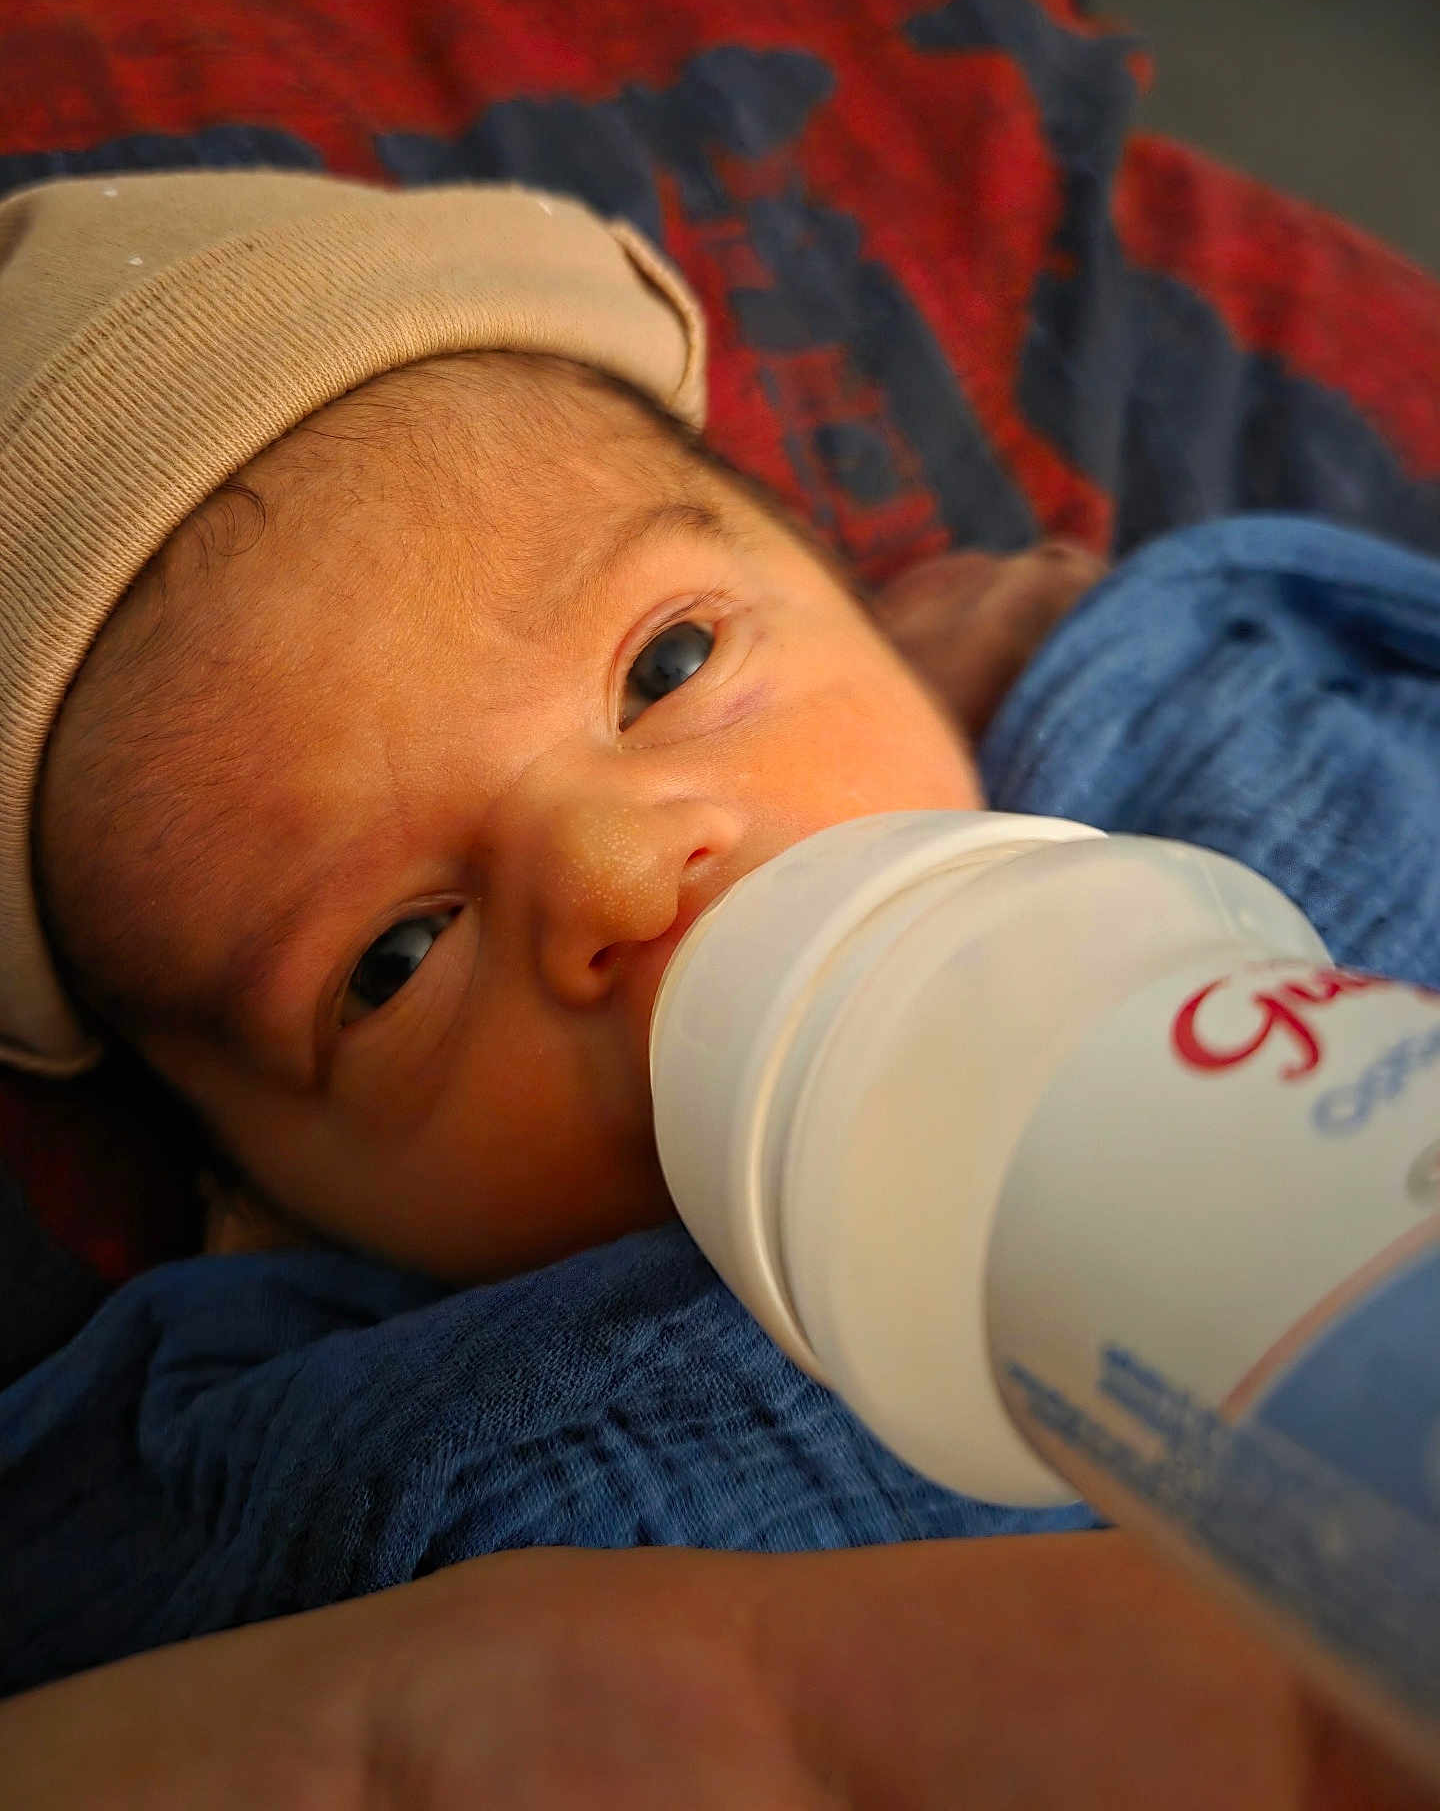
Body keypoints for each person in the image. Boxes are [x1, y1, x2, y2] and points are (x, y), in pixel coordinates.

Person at [3, 170, 1439, 1800]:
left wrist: (1080, 630)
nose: (623, 876)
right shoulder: (391, 1487)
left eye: (669, 666)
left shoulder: (1207, 746)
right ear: (259, 1202)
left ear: (882, 614)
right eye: (394, 959)